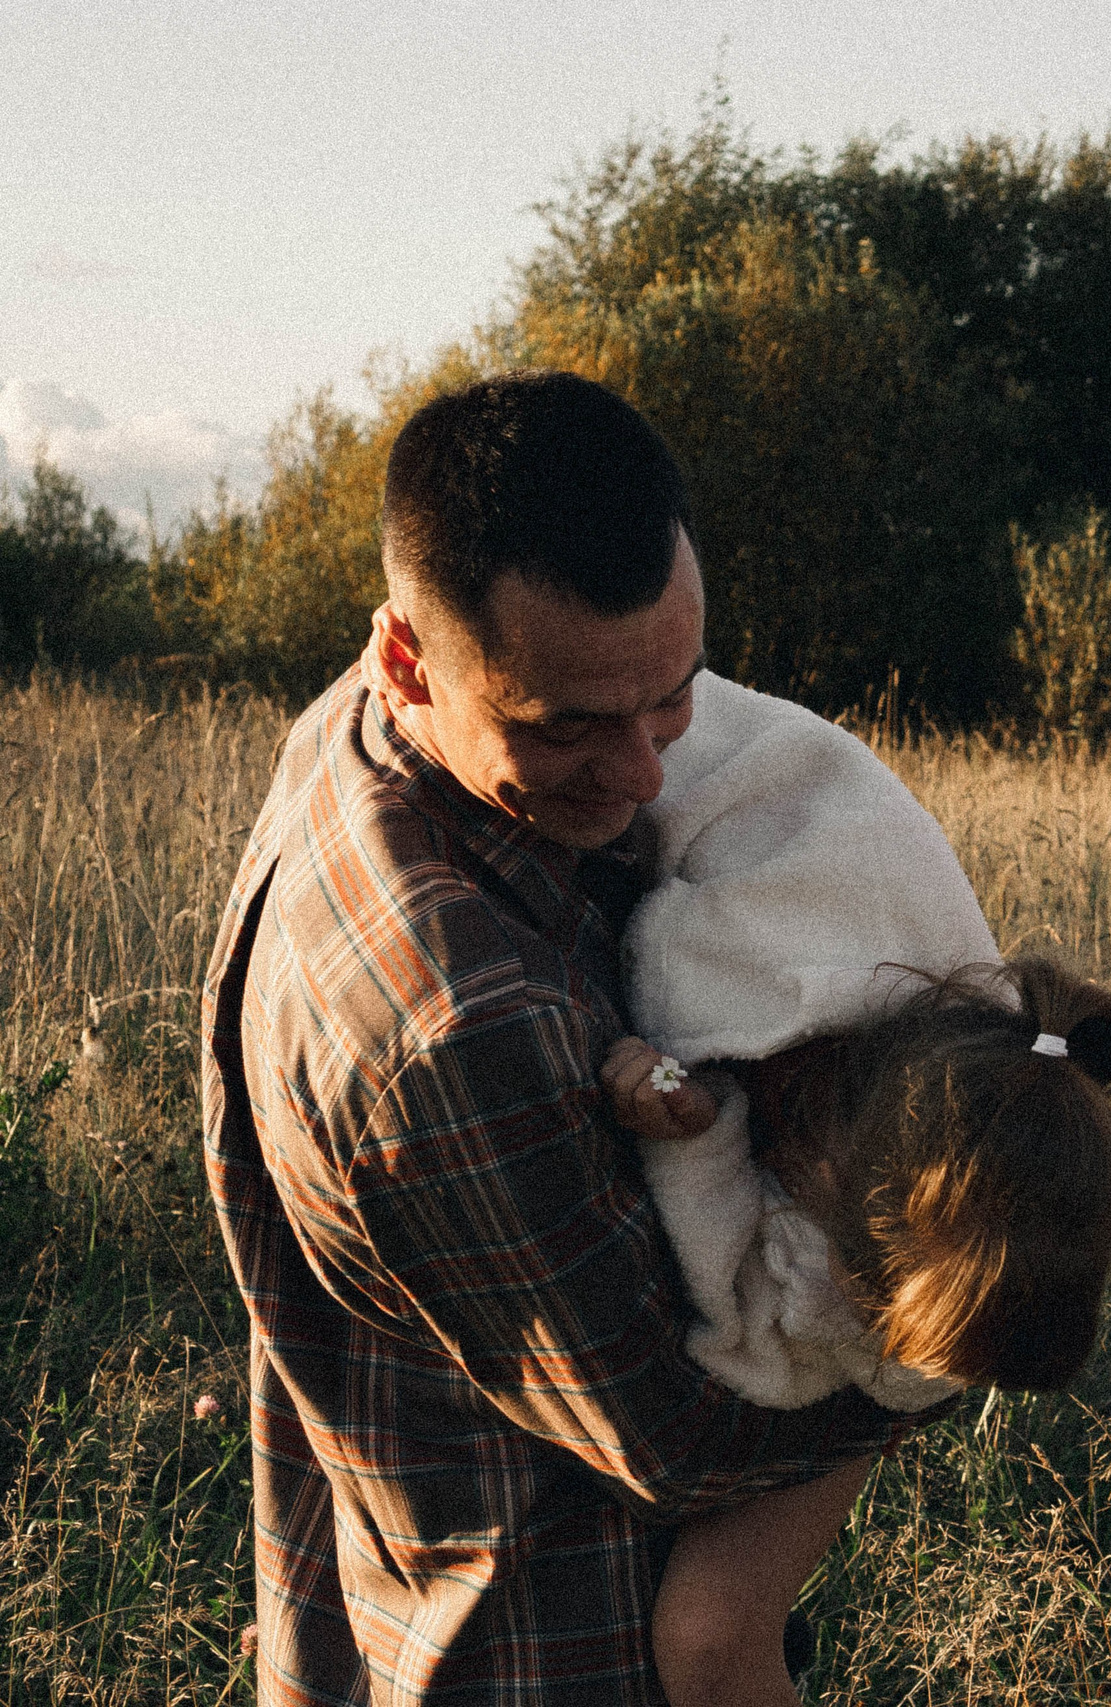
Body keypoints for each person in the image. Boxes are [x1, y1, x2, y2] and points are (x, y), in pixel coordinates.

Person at [202, 369, 910, 1705]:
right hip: (535, 1653)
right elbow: (682, 1441)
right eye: (568, 726)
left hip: (385, 1607)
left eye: (674, 697)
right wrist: (957, 1318)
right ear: (409, 655)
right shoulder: (456, 1030)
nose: (645, 774)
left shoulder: (356, 729)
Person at [587, 665, 1111, 1707]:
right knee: (708, 1636)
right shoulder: (755, 982)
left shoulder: (1002, 1096)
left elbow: (841, 1356)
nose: (893, 1368)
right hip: (693, 746)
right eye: (880, 1328)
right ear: (827, 1180)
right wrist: (692, 1128)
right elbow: (738, 1314)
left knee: (712, 1633)